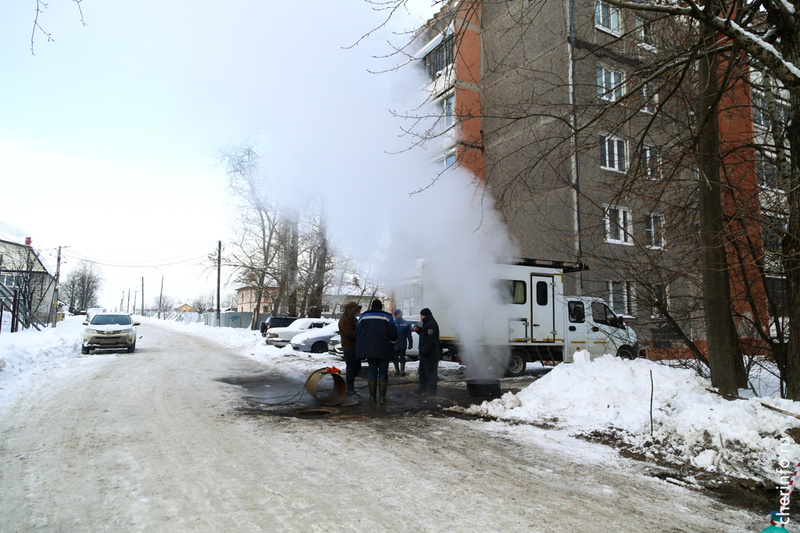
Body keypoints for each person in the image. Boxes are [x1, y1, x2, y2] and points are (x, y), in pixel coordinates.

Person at [355, 299, 398, 404]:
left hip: (369, 350)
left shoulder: (363, 317)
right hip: (384, 349)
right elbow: (394, 334)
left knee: (372, 371)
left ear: (372, 306)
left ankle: (372, 398)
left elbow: (357, 333)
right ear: (381, 307)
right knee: (383, 372)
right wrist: (392, 343)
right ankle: (382, 398)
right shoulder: (387, 317)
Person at [338, 301, 362, 405]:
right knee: (351, 368)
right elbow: (351, 334)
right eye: (356, 310)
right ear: (351, 310)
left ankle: (350, 388)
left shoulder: (352, 319)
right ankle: (349, 389)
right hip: (349, 348)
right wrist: (361, 334)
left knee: (356, 368)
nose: (358, 312)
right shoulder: (344, 321)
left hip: (354, 348)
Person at [414, 307, 441, 396]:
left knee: (430, 373)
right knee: (423, 372)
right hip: (425, 354)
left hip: (430, 354)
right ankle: (422, 389)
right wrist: (419, 330)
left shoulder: (431, 324)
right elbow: (425, 335)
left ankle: (431, 391)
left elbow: (430, 339)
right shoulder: (427, 323)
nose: (421, 317)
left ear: (425, 315)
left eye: (421, 315)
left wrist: (424, 351)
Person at [392, 309, 413, 376]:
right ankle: (397, 370)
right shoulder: (392, 322)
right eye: (397, 314)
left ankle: (402, 371)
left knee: (402, 358)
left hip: (402, 344)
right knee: (395, 358)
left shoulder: (405, 323)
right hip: (394, 344)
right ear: (395, 315)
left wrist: (410, 342)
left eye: (400, 314)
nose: (399, 315)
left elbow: (409, 334)